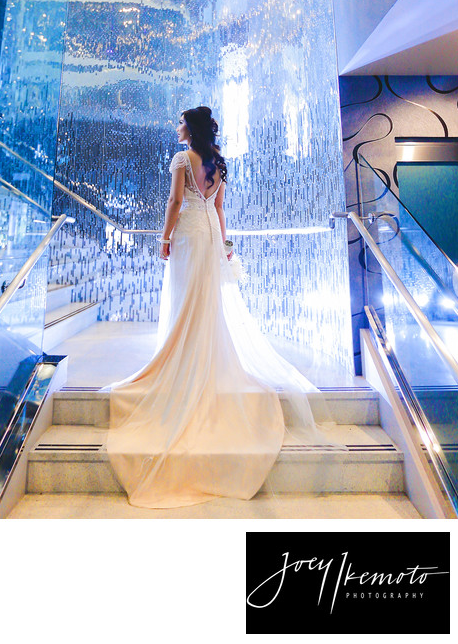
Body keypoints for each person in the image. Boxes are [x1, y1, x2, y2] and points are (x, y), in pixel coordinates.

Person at [102, 106, 327, 508]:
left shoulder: (181, 159)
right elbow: (220, 208)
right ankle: (200, 355)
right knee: (206, 300)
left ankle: (182, 357)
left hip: (189, 233)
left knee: (186, 297)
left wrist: (164, 238)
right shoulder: (218, 164)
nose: (177, 127)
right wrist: (224, 244)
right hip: (209, 235)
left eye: (180, 122)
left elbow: (175, 201)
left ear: (190, 128)